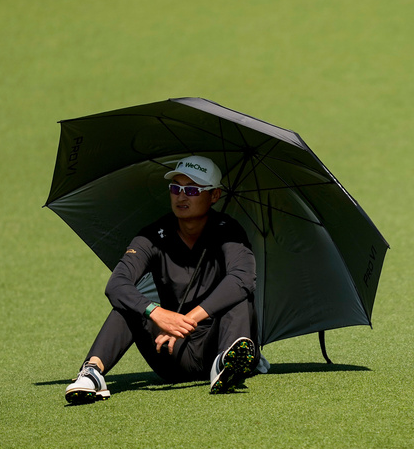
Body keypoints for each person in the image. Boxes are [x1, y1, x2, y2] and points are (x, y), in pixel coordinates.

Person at [65, 155, 266, 404]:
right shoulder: (152, 235)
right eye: (176, 188)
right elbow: (117, 284)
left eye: (192, 190)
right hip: (171, 351)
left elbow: (242, 278)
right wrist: (157, 314)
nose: (181, 196)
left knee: (239, 297)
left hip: (215, 343)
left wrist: (187, 320)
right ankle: (92, 373)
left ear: (214, 195)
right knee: (129, 302)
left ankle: (227, 362)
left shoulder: (230, 231)